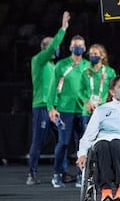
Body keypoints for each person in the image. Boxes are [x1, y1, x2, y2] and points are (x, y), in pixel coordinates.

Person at [27, 11, 70, 185]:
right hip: (42, 106)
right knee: (38, 140)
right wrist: (63, 28)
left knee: (62, 139)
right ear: (46, 47)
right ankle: (32, 173)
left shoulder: (53, 66)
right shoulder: (38, 61)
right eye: (54, 46)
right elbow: (52, 47)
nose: (57, 48)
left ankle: (62, 172)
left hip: (54, 107)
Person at [48, 33, 90, 188]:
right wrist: (51, 107)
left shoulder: (88, 66)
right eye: (75, 45)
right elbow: (53, 87)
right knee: (63, 143)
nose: (77, 48)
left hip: (83, 110)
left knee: (83, 144)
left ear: (84, 48)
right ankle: (57, 175)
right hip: (65, 109)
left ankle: (81, 175)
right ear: (70, 47)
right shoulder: (61, 65)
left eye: (80, 45)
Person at [80, 44, 117, 130]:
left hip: (105, 109)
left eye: (95, 54)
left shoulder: (110, 72)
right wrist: (87, 102)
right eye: (91, 54)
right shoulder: (85, 72)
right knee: (88, 136)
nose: (92, 56)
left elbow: (114, 90)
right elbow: (80, 91)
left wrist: (105, 101)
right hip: (88, 110)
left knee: (104, 136)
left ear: (102, 56)